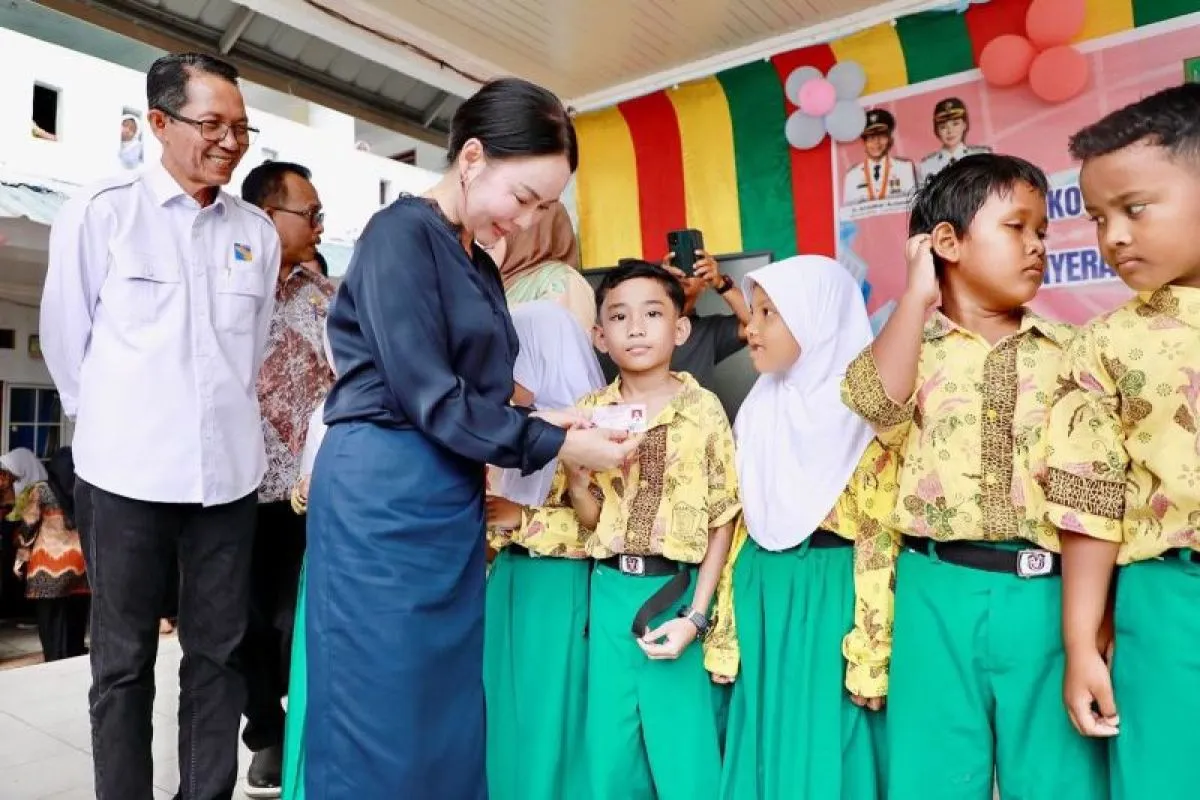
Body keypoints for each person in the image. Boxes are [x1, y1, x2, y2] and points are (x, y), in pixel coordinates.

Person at [302, 77, 639, 800]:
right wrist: (552, 444)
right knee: (379, 705)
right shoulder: (399, 234)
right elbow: (429, 395)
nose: (527, 221)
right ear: (474, 157)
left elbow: (478, 395)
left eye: (545, 209)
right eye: (524, 198)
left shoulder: (478, 262)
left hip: (449, 492)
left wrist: (552, 423)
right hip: (382, 490)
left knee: (445, 707)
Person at [40, 52, 278, 800]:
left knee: (219, 655)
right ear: (158, 122)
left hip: (227, 480)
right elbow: (66, 343)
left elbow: (250, 352)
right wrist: (122, 425)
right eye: (213, 124)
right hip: (124, 477)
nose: (231, 142)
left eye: (241, 127)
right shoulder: (102, 212)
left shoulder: (256, 231)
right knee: (122, 663)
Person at [840, 153, 1107, 799]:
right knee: (934, 777)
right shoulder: (910, 347)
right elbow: (875, 403)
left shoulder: (1074, 351)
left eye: (1041, 232)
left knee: (1059, 778)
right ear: (947, 242)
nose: (1036, 245)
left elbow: (1096, 496)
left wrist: (1092, 628)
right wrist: (916, 295)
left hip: (1048, 596)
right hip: (936, 591)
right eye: (1017, 227)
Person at [522, 260, 741, 799]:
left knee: (685, 758)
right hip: (609, 592)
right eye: (619, 317)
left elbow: (723, 519)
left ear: (680, 329)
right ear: (600, 336)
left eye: (652, 314)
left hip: (678, 593)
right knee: (612, 757)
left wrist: (697, 616)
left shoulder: (704, 410)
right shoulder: (588, 414)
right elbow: (589, 520)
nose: (636, 328)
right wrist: (579, 482)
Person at [1047, 82, 1200, 800]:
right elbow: (1090, 502)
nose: (1112, 236)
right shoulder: (1105, 346)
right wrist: (1081, 642)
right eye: (1098, 217)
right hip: (1168, 604)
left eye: (1134, 209)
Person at [718, 256, 895, 799]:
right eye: (753, 313)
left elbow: (878, 538)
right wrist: (725, 630)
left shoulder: (859, 413)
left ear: (817, 319)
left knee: (829, 746)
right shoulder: (758, 408)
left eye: (769, 313)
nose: (751, 328)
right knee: (766, 748)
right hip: (760, 595)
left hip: (831, 598)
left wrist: (872, 652)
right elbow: (738, 524)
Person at [237, 160, 334, 798]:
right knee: (244, 622)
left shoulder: (327, 296)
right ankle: (264, 731)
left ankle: (301, 726)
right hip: (236, 486)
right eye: (311, 214)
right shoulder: (227, 286)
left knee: (298, 616)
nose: (320, 226)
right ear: (268, 216)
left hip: (312, 489)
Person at [483, 301, 606, 800]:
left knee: (551, 714)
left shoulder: (592, 435)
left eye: (511, 364)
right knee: (504, 712)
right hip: (507, 586)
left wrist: (522, 518)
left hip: (560, 591)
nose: (500, 380)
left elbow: (606, 528)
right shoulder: (511, 433)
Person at [600, 251, 749, 393]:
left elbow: (756, 326)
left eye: (692, 267)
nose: (682, 274)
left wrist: (721, 283)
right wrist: (661, 283)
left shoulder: (710, 331)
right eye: (675, 266)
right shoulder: (631, 329)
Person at [10, 447, 88, 662]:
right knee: (75, 610)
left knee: (50, 615)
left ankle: (54, 655)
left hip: (47, 564)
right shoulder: (83, 488)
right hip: (79, 562)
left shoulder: (42, 490)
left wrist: (20, 556)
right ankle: (73, 651)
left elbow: (29, 525)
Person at [498, 201, 595, 331]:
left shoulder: (561, 279)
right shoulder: (494, 284)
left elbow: (565, 339)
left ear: (529, 231)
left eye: (501, 229)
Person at [843, 109, 918, 205]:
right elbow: (849, 211)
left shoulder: (905, 168)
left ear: (890, 139)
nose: (876, 142)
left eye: (882, 136)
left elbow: (914, 205)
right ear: (864, 142)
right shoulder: (852, 175)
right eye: (871, 138)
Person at [917, 98, 992, 184]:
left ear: (964, 125)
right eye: (943, 127)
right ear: (936, 130)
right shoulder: (926, 166)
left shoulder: (982, 156)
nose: (950, 131)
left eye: (955, 124)